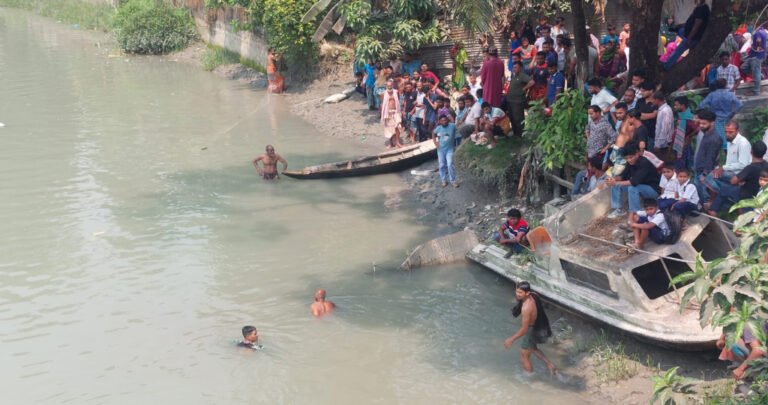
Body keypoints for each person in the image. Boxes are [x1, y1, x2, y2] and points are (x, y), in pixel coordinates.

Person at [504, 281, 556, 375]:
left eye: (520, 292)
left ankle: (529, 376)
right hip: (537, 326)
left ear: (527, 293)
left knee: (524, 356)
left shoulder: (526, 308)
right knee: (533, 348)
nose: (517, 294)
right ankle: (550, 364)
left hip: (531, 330)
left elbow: (524, 329)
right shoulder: (533, 295)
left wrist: (511, 339)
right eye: (517, 291)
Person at [708, 141, 767, 215]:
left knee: (724, 189)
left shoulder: (750, 168)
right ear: (764, 153)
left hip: (745, 194)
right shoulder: (766, 165)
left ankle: (713, 211)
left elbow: (733, 181)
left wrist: (739, 180)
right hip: (759, 195)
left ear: (751, 151)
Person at [607, 141, 661, 219]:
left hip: (653, 191)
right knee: (616, 185)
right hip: (641, 188)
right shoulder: (630, 163)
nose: (629, 160)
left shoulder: (644, 163)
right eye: (626, 158)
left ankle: (635, 213)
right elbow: (623, 176)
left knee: (632, 188)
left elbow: (634, 182)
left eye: (631, 157)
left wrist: (616, 183)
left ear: (637, 153)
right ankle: (619, 209)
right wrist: (613, 179)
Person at [702, 121, 751, 199]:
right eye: (726, 132)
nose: (727, 134)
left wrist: (723, 168)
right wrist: (721, 169)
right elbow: (730, 162)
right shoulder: (730, 141)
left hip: (739, 174)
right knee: (707, 175)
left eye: (731, 132)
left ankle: (715, 198)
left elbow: (743, 164)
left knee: (711, 176)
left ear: (737, 131)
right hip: (731, 171)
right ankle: (720, 196)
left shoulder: (743, 143)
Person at [663, 0, 710, 70]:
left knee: (678, 50)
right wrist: (682, 25)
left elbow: (696, 25)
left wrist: (689, 39)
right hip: (686, 31)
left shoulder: (702, 9)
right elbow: (691, 21)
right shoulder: (699, 7)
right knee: (675, 29)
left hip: (692, 37)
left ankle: (666, 66)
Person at [700, 78, 744, 150]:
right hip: (727, 119)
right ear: (725, 85)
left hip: (716, 119)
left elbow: (701, 105)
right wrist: (732, 113)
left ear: (716, 85)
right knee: (728, 138)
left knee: (717, 140)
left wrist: (709, 113)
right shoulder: (730, 94)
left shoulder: (712, 95)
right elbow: (740, 104)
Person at [693, 109, 722, 203]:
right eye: (700, 123)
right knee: (700, 195)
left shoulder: (714, 138)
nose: (701, 126)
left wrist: (704, 175)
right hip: (699, 170)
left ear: (712, 123)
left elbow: (711, 158)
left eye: (704, 124)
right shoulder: (706, 134)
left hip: (705, 173)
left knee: (706, 198)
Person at [506, 62, 533, 137]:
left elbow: (531, 82)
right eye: (513, 67)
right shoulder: (514, 75)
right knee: (512, 117)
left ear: (520, 68)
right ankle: (515, 133)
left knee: (518, 118)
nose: (514, 69)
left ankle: (521, 134)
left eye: (516, 67)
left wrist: (524, 88)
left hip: (518, 101)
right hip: (510, 100)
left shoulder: (522, 75)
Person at [672, 96, 698, 171]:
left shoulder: (689, 118)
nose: (674, 107)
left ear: (682, 105)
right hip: (677, 144)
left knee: (683, 166)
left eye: (676, 105)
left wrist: (689, 137)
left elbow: (697, 129)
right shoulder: (681, 116)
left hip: (684, 146)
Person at [433, 114, 459, 187]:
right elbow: (433, 133)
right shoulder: (438, 128)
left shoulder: (452, 126)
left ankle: (453, 181)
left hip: (450, 149)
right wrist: (435, 142)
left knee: (450, 164)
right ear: (439, 122)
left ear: (447, 120)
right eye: (442, 121)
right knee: (441, 165)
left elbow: (459, 129)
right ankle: (443, 180)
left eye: (445, 120)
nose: (444, 122)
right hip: (440, 150)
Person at [636, 81, 658, 150]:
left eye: (643, 91)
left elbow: (654, 115)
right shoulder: (640, 101)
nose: (641, 93)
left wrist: (640, 115)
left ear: (651, 91)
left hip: (651, 134)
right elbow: (636, 115)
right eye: (641, 91)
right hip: (639, 133)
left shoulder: (656, 102)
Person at [652, 91, 674, 160]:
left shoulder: (665, 110)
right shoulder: (662, 109)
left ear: (657, 100)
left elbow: (665, 129)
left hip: (663, 144)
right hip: (660, 142)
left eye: (653, 99)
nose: (652, 101)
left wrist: (658, 144)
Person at [381, 80, 403, 149]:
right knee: (389, 128)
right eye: (388, 86)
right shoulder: (383, 94)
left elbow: (398, 102)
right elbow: (382, 104)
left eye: (390, 86)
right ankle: (391, 143)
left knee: (398, 127)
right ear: (386, 86)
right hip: (388, 113)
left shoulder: (396, 92)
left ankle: (397, 142)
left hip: (396, 112)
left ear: (392, 85)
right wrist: (383, 114)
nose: (389, 87)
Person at [746, 26, 767, 95]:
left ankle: (756, 91)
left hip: (756, 56)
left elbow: (758, 40)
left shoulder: (758, 32)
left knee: (756, 72)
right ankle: (760, 76)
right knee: (744, 67)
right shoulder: (764, 32)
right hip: (758, 55)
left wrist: (757, 47)